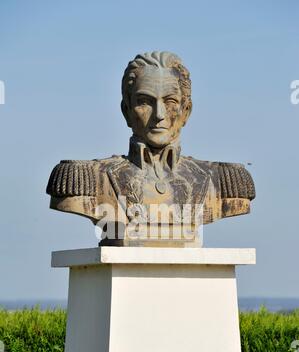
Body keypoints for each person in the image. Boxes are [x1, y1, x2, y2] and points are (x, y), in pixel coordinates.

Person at [47, 51, 255, 246]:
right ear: (126, 111)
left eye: (170, 101)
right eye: (145, 102)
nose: (159, 114)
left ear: (186, 111)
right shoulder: (87, 180)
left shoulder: (222, 181)